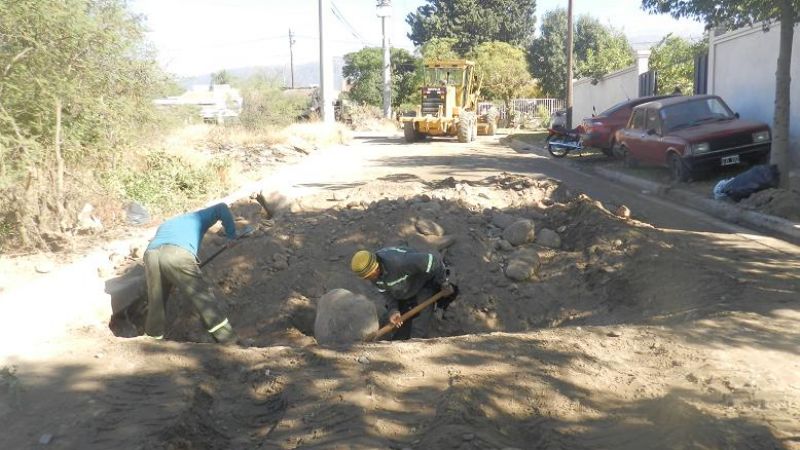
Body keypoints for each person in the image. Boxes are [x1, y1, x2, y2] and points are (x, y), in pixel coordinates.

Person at [143, 202, 241, 344]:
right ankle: (229, 341)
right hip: (178, 253)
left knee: (156, 302)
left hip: (151, 254)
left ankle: (151, 342)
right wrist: (232, 236)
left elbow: (163, 253)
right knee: (202, 297)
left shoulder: (167, 224)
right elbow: (222, 208)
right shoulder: (198, 217)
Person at [350, 246, 456, 340]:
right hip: (403, 288)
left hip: (423, 283)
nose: (369, 279)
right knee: (391, 321)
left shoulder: (400, 262)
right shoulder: (373, 276)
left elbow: (433, 261)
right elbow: (386, 292)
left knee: (419, 326)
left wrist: (443, 283)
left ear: (375, 269)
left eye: (369, 276)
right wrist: (393, 310)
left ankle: (414, 351)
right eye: (366, 278)